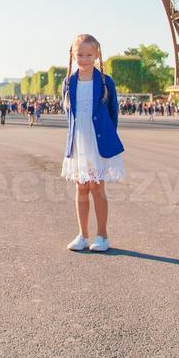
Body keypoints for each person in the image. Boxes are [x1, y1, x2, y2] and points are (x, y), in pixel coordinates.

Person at [62, 33, 126, 253]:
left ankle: (102, 235)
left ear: (97, 55)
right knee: (81, 188)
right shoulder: (68, 82)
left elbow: (113, 113)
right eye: (80, 54)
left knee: (97, 188)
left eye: (89, 55)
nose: (84, 59)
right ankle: (82, 235)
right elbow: (68, 113)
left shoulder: (106, 81)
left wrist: (106, 135)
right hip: (79, 141)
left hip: (98, 141)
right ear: (73, 55)